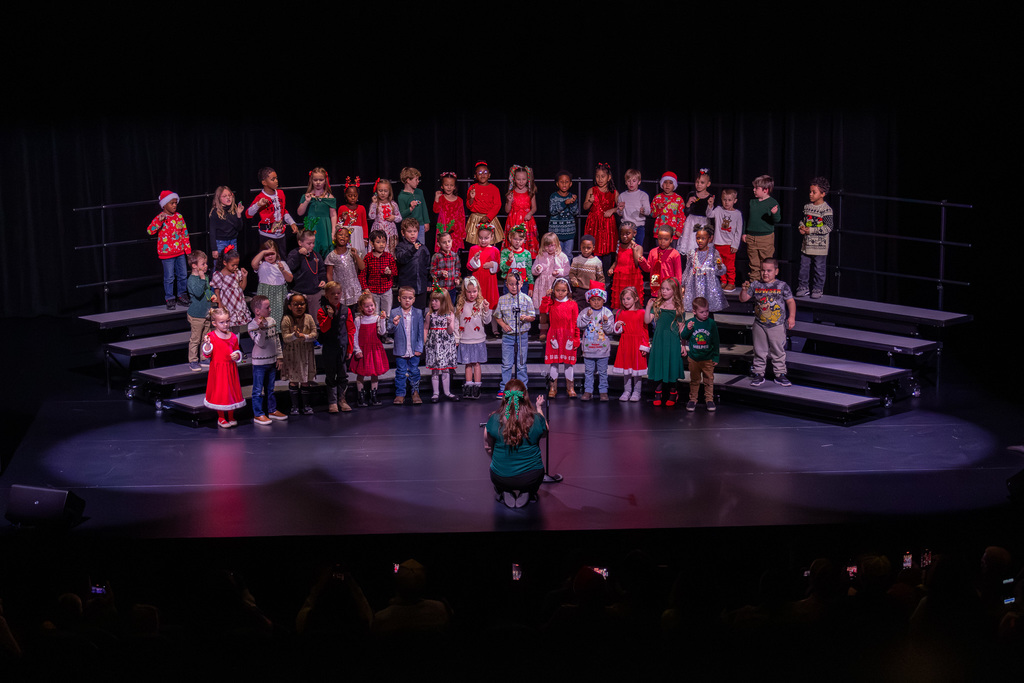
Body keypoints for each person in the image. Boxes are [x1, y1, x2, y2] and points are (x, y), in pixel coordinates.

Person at [484, 378, 547, 508]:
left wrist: (496, 461)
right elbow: (546, 432)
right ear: (525, 395)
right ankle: (528, 491)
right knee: (534, 473)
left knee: (499, 473)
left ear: (505, 397)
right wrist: (539, 408)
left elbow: (488, 447)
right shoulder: (536, 419)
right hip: (531, 477)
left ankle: (504, 490)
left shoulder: (494, 419)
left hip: (500, 476)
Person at [740, 258, 796, 387]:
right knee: (760, 350)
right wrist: (744, 289)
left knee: (778, 350)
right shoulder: (755, 285)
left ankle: (780, 373)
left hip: (777, 324)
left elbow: (790, 301)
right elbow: (743, 299)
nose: (765, 273)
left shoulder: (782, 286)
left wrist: (791, 317)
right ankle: (759, 373)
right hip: (760, 324)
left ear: (776, 271)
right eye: (763, 270)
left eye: (769, 271)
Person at [147, 190, 192, 309]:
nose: (174, 205)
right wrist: (158, 221)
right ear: (164, 204)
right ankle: (170, 298)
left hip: (180, 252)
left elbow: (185, 234)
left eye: (175, 203)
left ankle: (182, 296)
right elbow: (150, 231)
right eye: (172, 203)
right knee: (169, 277)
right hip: (167, 254)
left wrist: (187, 251)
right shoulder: (160, 218)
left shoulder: (179, 217)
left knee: (182, 275)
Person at [645, 277, 686, 406]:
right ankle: (658, 393)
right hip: (659, 339)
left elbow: (681, 327)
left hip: (672, 340)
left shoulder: (678, 307)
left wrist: (683, 345)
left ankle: (673, 393)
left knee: (671, 364)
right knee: (659, 363)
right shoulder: (657, 304)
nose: (664, 291)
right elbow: (647, 321)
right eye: (662, 289)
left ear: (674, 291)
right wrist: (648, 307)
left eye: (667, 289)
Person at [202, 308, 245, 428]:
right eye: (222, 322)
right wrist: (207, 344)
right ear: (214, 323)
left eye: (227, 321)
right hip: (218, 370)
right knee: (220, 391)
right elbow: (207, 353)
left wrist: (237, 355)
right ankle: (221, 417)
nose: (225, 324)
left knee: (230, 391)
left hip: (230, 369)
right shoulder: (211, 336)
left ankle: (231, 416)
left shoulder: (232, 336)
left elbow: (237, 350)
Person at [495, 272, 535, 397]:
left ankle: (522, 388)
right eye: (511, 284)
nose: (514, 287)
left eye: (516, 284)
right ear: (506, 285)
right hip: (508, 336)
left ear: (522, 284)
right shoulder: (502, 299)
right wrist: (503, 325)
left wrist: (526, 318)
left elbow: (533, 316)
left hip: (521, 335)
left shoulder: (526, 299)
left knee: (521, 364)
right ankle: (505, 388)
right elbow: (497, 316)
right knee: (507, 363)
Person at [248, 294, 287, 424]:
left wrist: (279, 357)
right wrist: (262, 330)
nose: (270, 309)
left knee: (271, 389)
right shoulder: (252, 326)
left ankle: (272, 410)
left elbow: (276, 340)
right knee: (258, 390)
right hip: (259, 363)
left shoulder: (272, 321)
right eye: (267, 307)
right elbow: (261, 343)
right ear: (257, 311)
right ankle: (258, 413)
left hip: (272, 360)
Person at [317, 282, 355, 413]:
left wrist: (350, 349)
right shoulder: (322, 311)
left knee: (343, 374)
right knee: (331, 374)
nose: (336, 296)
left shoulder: (346, 310)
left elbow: (351, 330)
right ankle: (332, 401)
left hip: (343, 346)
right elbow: (324, 328)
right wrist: (330, 317)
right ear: (327, 295)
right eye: (333, 293)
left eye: (338, 293)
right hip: (329, 347)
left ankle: (342, 399)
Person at [281, 292, 319, 415]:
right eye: (295, 304)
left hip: (305, 353)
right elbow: (285, 337)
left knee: (305, 379)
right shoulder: (286, 319)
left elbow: (314, 334)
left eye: (302, 304)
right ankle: (295, 406)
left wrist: (304, 336)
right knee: (293, 379)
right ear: (289, 306)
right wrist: (294, 335)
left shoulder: (308, 317)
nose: (299, 307)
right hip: (292, 354)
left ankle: (306, 405)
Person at [541, 278, 580, 398]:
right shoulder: (551, 302)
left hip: (568, 335)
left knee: (569, 363)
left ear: (568, 290)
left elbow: (576, 322)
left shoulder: (573, 304)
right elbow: (543, 310)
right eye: (557, 290)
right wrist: (547, 297)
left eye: (563, 290)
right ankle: (553, 387)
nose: (560, 293)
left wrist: (576, 338)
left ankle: (570, 387)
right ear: (553, 290)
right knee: (554, 363)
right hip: (555, 336)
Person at [455, 276, 492, 400]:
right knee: (468, 364)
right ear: (464, 291)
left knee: (476, 363)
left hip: (478, 339)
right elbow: (456, 322)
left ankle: (477, 386)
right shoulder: (461, 305)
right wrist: (457, 338)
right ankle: (468, 385)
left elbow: (487, 321)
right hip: (465, 339)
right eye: (469, 291)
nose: (472, 294)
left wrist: (487, 309)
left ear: (478, 291)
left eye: (474, 291)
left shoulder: (481, 304)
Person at [577, 281, 615, 401]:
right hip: (589, 349)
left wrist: (605, 322)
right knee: (588, 371)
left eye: (599, 299)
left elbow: (610, 331)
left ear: (603, 300)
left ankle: (603, 391)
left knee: (603, 372)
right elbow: (580, 325)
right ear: (589, 300)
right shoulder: (585, 312)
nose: (596, 302)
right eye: (594, 300)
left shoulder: (607, 313)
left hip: (602, 349)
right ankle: (588, 391)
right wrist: (587, 317)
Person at [796, 177, 833, 299]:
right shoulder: (807, 207)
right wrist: (801, 226)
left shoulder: (826, 210)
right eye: (810, 191)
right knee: (804, 267)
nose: (810, 194)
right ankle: (803, 287)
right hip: (806, 245)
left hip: (820, 247)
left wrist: (811, 230)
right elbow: (804, 220)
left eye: (814, 192)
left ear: (823, 194)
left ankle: (817, 288)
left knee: (819, 268)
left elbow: (828, 227)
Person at [386, 286, 425, 406]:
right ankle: (400, 394)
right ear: (399, 299)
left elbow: (420, 332)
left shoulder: (418, 313)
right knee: (401, 372)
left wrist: (419, 347)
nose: (407, 300)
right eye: (404, 298)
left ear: (413, 299)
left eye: (410, 298)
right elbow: (389, 330)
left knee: (414, 372)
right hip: (401, 350)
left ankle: (415, 392)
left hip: (413, 349)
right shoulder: (394, 312)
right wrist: (394, 323)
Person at [681, 297, 720, 412]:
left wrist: (716, 356)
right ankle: (693, 399)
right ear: (694, 312)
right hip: (694, 358)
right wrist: (688, 329)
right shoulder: (691, 323)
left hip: (707, 358)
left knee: (709, 379)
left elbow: (716, 341)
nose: (705, 314)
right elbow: (683, 336)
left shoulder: (711, 323)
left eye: (707, 311)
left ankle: (709, 399)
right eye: (702, 312)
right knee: (694, 380)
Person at [247, 167, 297, 256]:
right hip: (267, 236)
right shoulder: (260, 197)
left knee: (282, 259)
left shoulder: (281, 193)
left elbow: (283, 210)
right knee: (267, 259)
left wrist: (292, 222)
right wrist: (258, 205)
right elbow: (248, 214)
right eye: (272, 179)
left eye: (276, 178)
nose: (276, 181)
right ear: (264, 182)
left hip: (281, 235)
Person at [350, 292, 389, 407]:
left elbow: (382, 332)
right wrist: (357, 350)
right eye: (367, 306)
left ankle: (374, 395)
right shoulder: (358, 320)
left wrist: (382, 320)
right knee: (361, 373)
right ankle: (361, 396)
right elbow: (354, 336)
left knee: (374, 373)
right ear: (361, 307)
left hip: (375, 349)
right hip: (363, 349)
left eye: (371, 305)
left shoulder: (377, 318)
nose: (370, 308)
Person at [612, 286, 648, 402]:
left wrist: (644, 346)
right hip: (626, 343)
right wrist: (617, 326)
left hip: (637, 343)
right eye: (623, 299)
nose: (625, 301)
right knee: (626, 369)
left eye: (628, 298)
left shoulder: (642, 313)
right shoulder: (620, 313)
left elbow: (645, 331)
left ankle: (637, 392)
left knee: (637, 370)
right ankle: (627, 391)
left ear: (636, 299)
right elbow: (619, 330)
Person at [423, 288, 459, 403]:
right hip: (434, 344)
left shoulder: (450, 314)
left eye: (436, 301)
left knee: (445, 369)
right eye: (432, 300)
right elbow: (425, 328)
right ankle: (435, 393)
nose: (433, 303)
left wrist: (449, 324)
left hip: (445, 344)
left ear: (443, 302)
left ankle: (447, 392)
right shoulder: (430, 314)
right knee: (434, 369)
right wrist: (425, 342)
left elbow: (450, 331)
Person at [532, 232, 570, 340]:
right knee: (543, 309)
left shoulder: (562, 256)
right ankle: (543, 330)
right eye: (547, 245)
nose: (549, 248)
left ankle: (554, 329)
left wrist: (559, 272)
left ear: (557, 244)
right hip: (542, 285)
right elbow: (534, 270)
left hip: (555, 285)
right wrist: (537, 269)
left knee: (555, 309)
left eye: (552, 245)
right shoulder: (540, 256)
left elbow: (567, 270)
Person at [681, 225, 727, 312]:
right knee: (696, 308)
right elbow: (687, 270)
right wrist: (683, 285)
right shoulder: (692, 253)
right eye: (698, 238)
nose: (700, 241)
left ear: (709, 239)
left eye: (703, 238)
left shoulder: (713, 252)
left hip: (708, 287)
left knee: (707, 309)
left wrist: (720, 266)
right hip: (694, 285)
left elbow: (720, 271)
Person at [745, 174, 781, 285]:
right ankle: (754, 284)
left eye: (756, 188)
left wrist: (774, 214)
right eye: (754, 187)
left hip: (765, 238)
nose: (754, 190)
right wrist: (744, 233)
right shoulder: (753, 202)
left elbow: (777, 219)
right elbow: (747, 218)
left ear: (765, 190)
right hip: (751, 237)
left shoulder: (772, 203)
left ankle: (768, 285)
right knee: (754, 263)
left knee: (766, 262)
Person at [296, 167, 337, 259]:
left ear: (325, 181)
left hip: (325, 227)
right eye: (315, 180)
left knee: (326, 247)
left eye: (321, 180)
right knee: (312, 246)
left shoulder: (329, 197)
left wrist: (333, 232)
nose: (318, 182)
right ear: (311, 180)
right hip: (312, 226)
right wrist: (306, 201)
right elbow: (300, 212)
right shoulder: (307, 196)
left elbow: (333, 215)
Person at [358, 230, 397, 329]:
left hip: (386, 290)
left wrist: (390, 272)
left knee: (386, 313)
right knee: (374, 314)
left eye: (383, 242)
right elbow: (362, 274)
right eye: (378, 242)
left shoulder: (388, 257)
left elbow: (395, 271)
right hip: (373, 291)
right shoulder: (368, 258)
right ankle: (375, 333)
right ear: (372, 243)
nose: (381, 245)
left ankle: (385, 333)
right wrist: (365, 288)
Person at [466, 225, 500, 335]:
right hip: (478, 280)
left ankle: (495, 329)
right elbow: (469, 266)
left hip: (490, 281)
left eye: (486, 238)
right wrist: (475, 260)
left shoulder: (495, 250)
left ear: (492, 237)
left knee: (492, 302)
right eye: (481, 238)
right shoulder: (473, 249)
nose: (483, 240)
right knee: (478, 302)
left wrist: (493, 265)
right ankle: (479, 328)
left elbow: (499, 267)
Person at [186, 250, 217, 372]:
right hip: (196, 315)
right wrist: (203, 279)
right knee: (195, 339)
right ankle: (193, 360)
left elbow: (206, 291)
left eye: (206, 263)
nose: (206, 266)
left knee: (206, 337)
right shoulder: (192, 280)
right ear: (194, 266)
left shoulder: (205, 278)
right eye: (203, 264)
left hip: (206, 314)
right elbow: (198, 292)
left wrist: (212, 295)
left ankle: (204, 358)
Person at [251, 239, 293, 328]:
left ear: (277, 253)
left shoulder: (282, 264)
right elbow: (253, 264)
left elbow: (290, 279)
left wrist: (283, 270)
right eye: (267, 254)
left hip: (279, 293)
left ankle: (277, 333)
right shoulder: (262, 264)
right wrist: (263, 252)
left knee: (279, 314)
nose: (270, 256)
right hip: (265, 292)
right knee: (264, 314)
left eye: (272, 253)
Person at [708, 188, 744, 292]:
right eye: (724, 200)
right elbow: (709, 214)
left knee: (730, 266)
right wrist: (710, 206)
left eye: (729, 200)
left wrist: (735, 245)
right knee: (719, 264)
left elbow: (738, 231)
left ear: (735, 201)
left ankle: (731, 282)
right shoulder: (719, 210)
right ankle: (723, 281)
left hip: (729, 245)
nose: (726, 202)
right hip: (718, 244)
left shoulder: (737, 214)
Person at [582, 162, 618, 260]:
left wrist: (612, 210)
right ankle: (593, 272)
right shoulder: (592, 190)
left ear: (609, 177)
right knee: (593, 250)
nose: (600, 179)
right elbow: (585, 207)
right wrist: (590, 201)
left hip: (607, 225)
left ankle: (606, 274)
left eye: (603, 176)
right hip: (594, 224)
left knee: (607, 251)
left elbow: (621, 208)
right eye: (597, 176)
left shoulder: (613, 192)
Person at [210, 246, 250, 334]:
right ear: (225, 262)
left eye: (237, 265)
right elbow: (217, 292)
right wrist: (220, 306)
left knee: (236, 329)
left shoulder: (238, 273)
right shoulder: (219, 275)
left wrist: (244, 277)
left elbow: (242, 288)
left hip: (237, 305)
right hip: (227, 306)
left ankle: (236, 345)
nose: (235, 267)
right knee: (226, 327)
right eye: (233, 265)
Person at [287, 229, 327, 315]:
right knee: (299, 318)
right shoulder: (294, 254)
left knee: (315, 319)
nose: (312, 246)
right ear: (300, 243)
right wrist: (299, 255)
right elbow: (291, 267)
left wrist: (323, 280)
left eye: (313, 243)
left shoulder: (317, 255)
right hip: (299, 292)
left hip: (314, 293)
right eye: (309, 243)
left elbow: (322, 271)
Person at [323, 228, 364, 312]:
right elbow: (329, 274)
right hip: (340, 289)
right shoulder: (331, 256)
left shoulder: (351, 252)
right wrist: (332, 288)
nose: (343, 237)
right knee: (341, 314)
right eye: (340, 235)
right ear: (335, 237)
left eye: (346, 236)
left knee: (353, 313)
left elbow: (362, 267)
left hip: (353, 288)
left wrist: (356, 255)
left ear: (349, 239)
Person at [465, 160, 504, 246]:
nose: (482, 175)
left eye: (485, 172)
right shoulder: (472, 187)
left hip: (490, 219)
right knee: (476, 244)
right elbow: (469, 205)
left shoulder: (494, 189)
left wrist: (488, 217)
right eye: (479, 173)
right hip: (476, 219)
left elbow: (497, 205)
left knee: (490, 243)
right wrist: (471, 198)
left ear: (489, 175)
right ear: (475, 176)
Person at [395, 217, 432, 310]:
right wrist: (412, 250)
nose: (412, 233)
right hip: (407, 287)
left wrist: (429, 283)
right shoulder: (400, 247)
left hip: (421, 287)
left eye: (415, 231)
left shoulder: (423, 248)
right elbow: (401, 259)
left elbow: (428, 267)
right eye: (409, 231)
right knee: (406, 312)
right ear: (403, 233)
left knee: (420, 311)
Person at [607, 222, 644, 310]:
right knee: (621, 299)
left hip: (632, 276)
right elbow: (616, 261)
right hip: (620, 277)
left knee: (632, 299)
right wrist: (611, 268)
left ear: (634, 233)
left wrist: (634, 249)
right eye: (622, 234)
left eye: (628, 234)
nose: (624, 236)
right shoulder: (618, 246)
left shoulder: (638, 247)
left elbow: (636, 263)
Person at [505, 164, 540, 257]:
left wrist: (530, 213)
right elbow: (507, 210)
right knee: (515, 240)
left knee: (527, 241)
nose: (521, 182)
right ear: (514, 179)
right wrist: (509, 201)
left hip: (527, 221)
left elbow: (534, 207)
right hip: (514, 221)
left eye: (523, 179)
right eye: (518, 179)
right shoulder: (511, 192)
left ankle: (527, 263)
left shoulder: (530, 192)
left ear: (528, 179)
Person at [681, 168, 715, 256]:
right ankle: (690, 267)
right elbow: (686, 212)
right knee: (690, 246)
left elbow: (711, 216)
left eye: (702, 183)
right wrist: (688, 204)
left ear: (708, 184)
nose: (699, 185)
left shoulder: (710, 197)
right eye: (697, 182)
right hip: (691, 223)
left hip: (703, 224)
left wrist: (710, 205)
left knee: (702, 247)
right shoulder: (691, 194)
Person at [640, 227, 683, 294]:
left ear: (671, 239)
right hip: (655, 287)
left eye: (666, 239)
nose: (662, 242)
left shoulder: (675, 254)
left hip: (669, 288)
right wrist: (642, 261)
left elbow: (678, 274)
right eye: (660, 239)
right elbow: (648, 269)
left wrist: (677, 289)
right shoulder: (653, 252)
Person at [616, 168, 651, 249]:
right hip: (625, 227)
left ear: (639, 182)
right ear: (625, 182)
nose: (631, 183)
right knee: (625, 249)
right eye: (629, 181)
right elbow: (619, 213)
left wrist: (643, 211)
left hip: (638, 227)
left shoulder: (643, 195)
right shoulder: (622, 196)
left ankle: (636, 262)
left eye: (634, 181)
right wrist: (620, 210)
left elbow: (648, 211)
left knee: (637, 249)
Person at [568, 234, 605, 309]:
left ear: (593, 248)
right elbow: (572, 273)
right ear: (580, 247)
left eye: (588, 248)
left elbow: (600, 278)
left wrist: (600, 290)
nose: (586, 250)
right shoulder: (576, 260)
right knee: (579, 308)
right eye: (583, 247)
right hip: (579, 290)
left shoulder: (597, 262)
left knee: (591, 309)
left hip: (592, 291)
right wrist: (574, 280)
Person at [548, 170, 579, 259]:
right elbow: (552, 211)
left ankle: (567, 272)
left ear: (570, 184)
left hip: (569, 232)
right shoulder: (553, 196)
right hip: (556, 233)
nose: (564, 184)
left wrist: (573, 202)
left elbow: (575, 212)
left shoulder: (572, 196)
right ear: (557, 184)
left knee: (568, 255)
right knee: (556, 254)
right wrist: (564, 203)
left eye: (566, 182)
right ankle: (556, 272)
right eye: (561, 182)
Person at [651, 172, 685, 251]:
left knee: (671, 254)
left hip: (673, 233)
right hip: (659, 233)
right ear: (662, 184)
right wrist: (658, 208)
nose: (667, 185)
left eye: (670, 183)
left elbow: (681, 216)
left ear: (674, 185)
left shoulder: (678, 199)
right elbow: (652, 214)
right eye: (665, 182)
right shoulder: (657, 198)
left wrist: (679, 230)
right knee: (660, 254)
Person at [208, 185, 244, 260]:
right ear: (218, 198)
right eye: (224, 196)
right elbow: (212, 232)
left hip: (233, 241)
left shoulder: (234, 209)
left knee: (232, 262)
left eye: (229, 195)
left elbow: (239, 228)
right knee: (220, 264)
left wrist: (239, 215)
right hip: (221, 243)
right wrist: (214, 249)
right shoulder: (215, 212)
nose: (228, 198)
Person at [433, 170, 466, 250]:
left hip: (455, 231)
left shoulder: (459, 200)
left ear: (454, 187)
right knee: (443, 251)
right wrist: (436, 199)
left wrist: (463, 233)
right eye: (446, 185)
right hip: (443, 230)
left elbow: (462, 217)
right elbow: (436, 210)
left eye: (451, 185)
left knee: (454, 253)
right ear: (442, 186)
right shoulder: (441, 198)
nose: (449, 187)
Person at [397, 166, 430, 246]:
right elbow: (401, 214)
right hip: (408, 228)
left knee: (421, 247)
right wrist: (410, 209)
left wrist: (426, 221)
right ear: (408, 180)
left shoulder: (419, 192)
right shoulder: (401, 196)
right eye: (416, 179)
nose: (418, 182)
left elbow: (424, 207)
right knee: (409, 248)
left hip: (420, 225)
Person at [368, 178, 402, 254]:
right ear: (377, 191)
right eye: (380, 191)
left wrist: (394, 218)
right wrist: (373, 204)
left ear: (389, 192)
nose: (383, 193)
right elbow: (371, 216)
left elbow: (399, 217)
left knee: (390, 251)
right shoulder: (375, 204)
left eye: (385, 191)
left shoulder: (393, 204)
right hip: (379, 230)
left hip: (390, 232)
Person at [499, 224, 534, 294]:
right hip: (509, 284)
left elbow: (529, 271)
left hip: (523, 284)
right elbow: (503, 269)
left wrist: (531, 286)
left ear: (524, 239)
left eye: (520, 239)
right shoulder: (505, 252)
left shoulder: (527, 254)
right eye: (515, 239)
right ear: (510, 238)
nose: (518, 242)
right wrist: (509, 261)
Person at [429, 229, 461, 304]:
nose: (447, 244)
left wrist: (457, 278)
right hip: (440, 289)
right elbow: (432, 272)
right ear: (439, 244)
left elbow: (457, 269)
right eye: (444, 242)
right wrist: (440, 273)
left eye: (449, 241)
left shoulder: (455, 255)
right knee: (440, 308)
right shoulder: (436, 256)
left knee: (450, 307)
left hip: (451, 288)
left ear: (452, 241)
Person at [338, 176, 367, 254]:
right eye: (350, 196)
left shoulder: (361, 208)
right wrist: (343, 219)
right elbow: (338, 225)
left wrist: (365, 239)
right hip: (346, 234)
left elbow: (364, 224)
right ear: (346, 196)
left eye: (355, 196)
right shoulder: (342, 208)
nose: (353, 198)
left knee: (359, 253)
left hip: (358, 234)